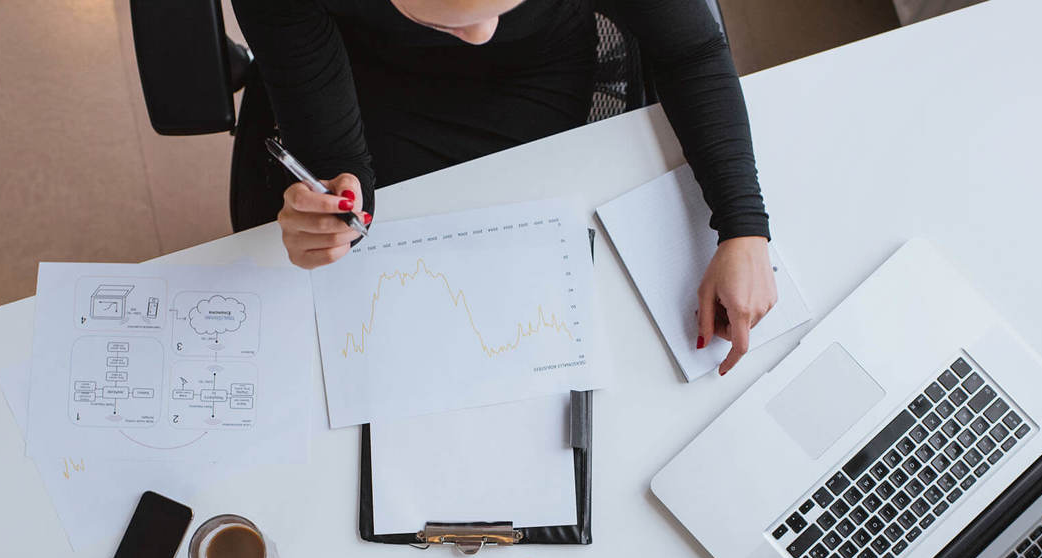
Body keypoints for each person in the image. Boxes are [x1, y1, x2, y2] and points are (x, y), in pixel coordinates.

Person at [234, 0, 778, 374]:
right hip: (367, 73)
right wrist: (339, 205)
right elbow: (341, 162)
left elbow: (692, 52)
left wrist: (743, 228)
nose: (481, 33)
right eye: (452, 17)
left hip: (538, 68)